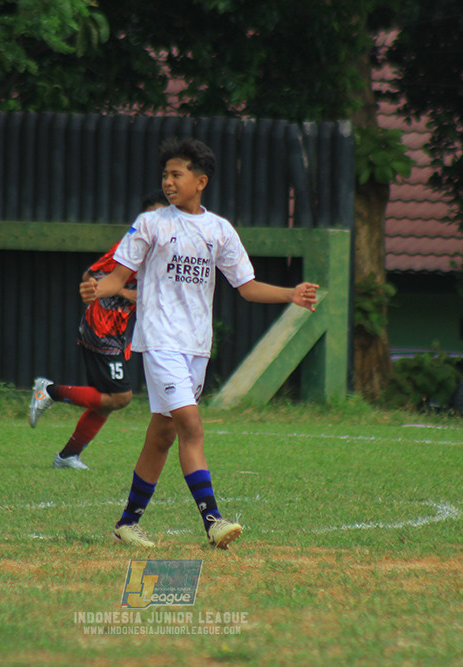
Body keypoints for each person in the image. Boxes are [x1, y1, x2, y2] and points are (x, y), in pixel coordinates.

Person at [80, 137, 319, 549]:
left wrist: (291, 294)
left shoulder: (218, 230)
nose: (169, 182)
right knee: (191, 425)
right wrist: (99, 289)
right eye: (165, 175)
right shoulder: (152, 223)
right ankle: (213, 520)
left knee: (163, 435)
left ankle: (127, 522)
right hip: (159, 341)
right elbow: (120, 276)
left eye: (177, 174)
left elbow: (245, 287)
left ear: (200, 180)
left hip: (196, 347)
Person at [28, 191, 170, 470]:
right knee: (121, 397)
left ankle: (68, 456)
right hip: (101, 327)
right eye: (152, 217)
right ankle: (50, 391)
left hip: (118, 332)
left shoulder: (163, 254)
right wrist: (129, 295)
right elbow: (90, 277)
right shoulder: (128, 248)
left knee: (106, 401)